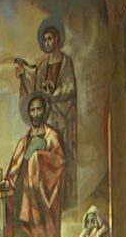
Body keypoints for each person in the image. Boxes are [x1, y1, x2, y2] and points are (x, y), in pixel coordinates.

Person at [0, 93, 66, 237]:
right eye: (32, 110)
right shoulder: (24, 141)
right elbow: (14, 169)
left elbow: (59, 166)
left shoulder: (51, 137)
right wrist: (7, 183)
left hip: (40, 205)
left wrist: (38, 159)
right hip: (21, 200)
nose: (36, 113)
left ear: (45, 110)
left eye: (39, 109)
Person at [14, 18, 78, 204]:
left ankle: (65, 197)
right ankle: (45, 194)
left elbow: (70, 87)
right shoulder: (43, 65)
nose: (48, 43)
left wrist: (53, 92)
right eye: (46, 40)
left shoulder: (66, 62)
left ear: (57, 40)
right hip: (48, 116)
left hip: (64, 116)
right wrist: (23, 71)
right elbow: (34, 82)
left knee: (62, 154)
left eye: (51, 39)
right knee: (46, 154)